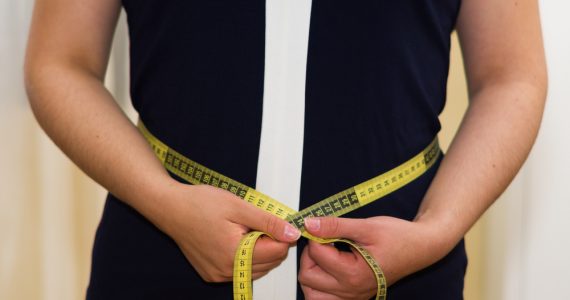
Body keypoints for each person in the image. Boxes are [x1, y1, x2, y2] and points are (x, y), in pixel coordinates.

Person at [24, 0, 546, 299]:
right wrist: (166, 203)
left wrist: (435, 232)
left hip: (401, 269)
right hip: (163, 257)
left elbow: (511, 76)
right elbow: (59, 62)